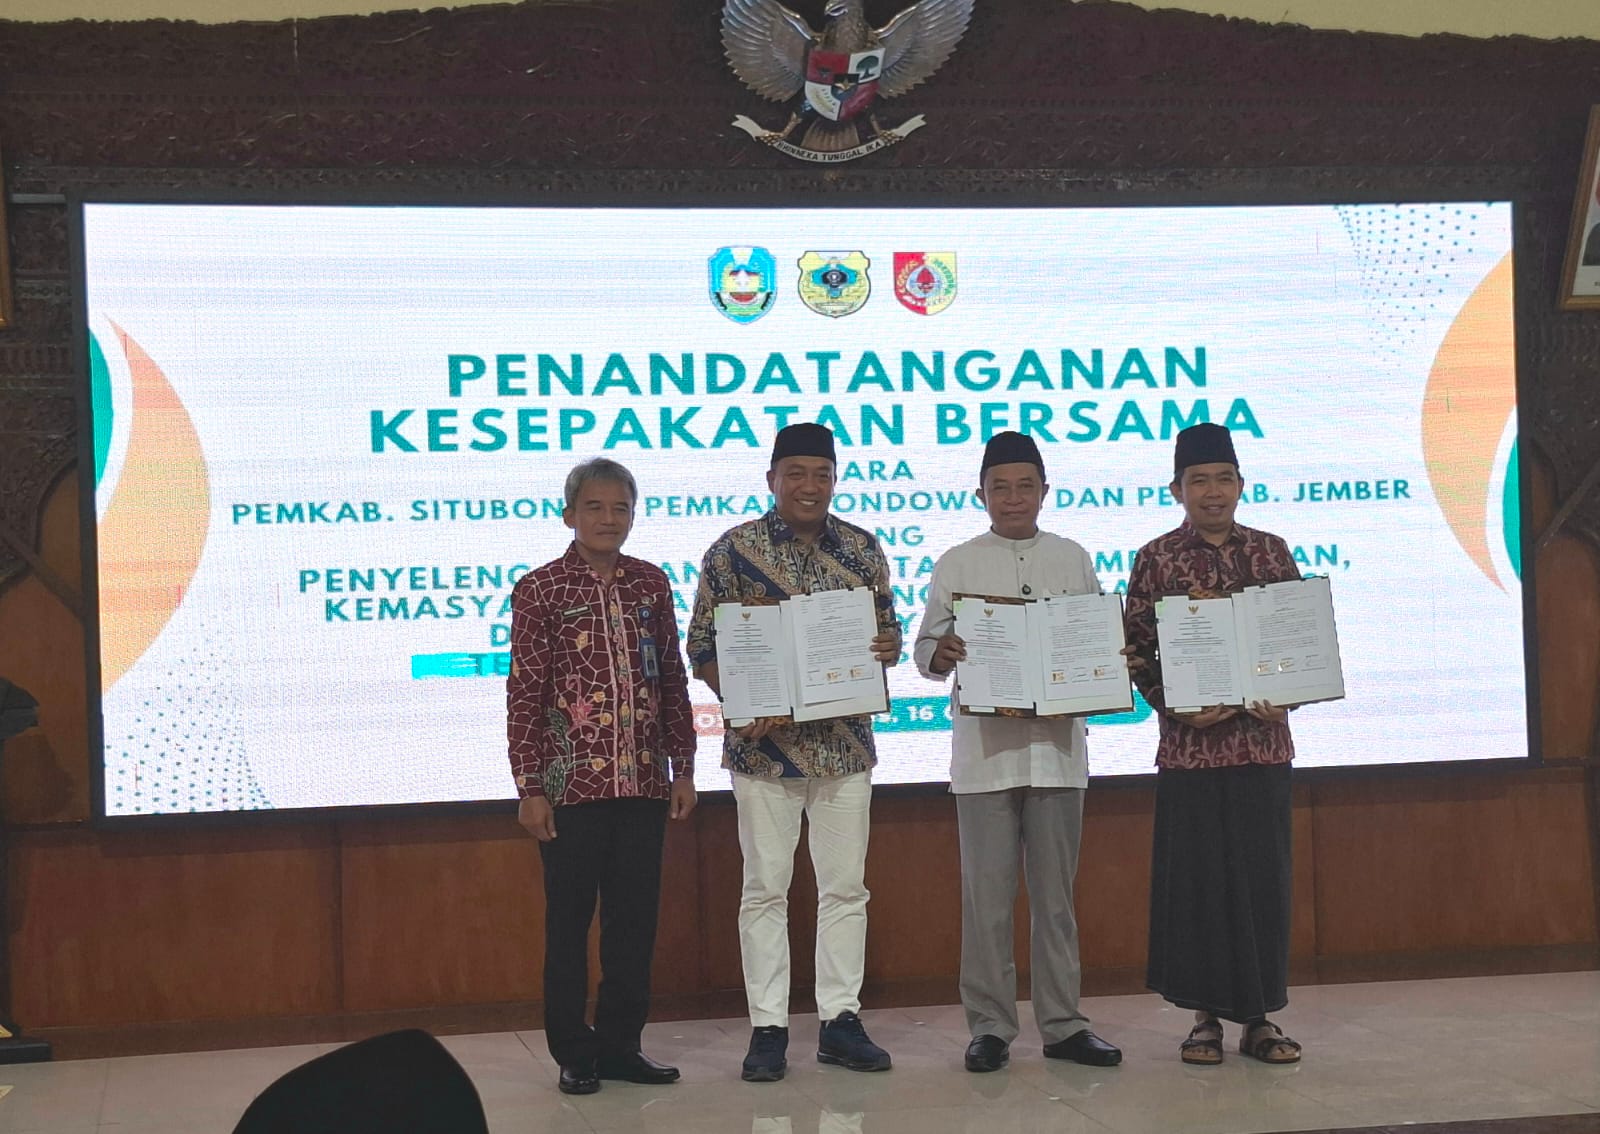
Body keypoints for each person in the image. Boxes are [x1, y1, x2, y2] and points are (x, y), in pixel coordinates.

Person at [687, 422, 902, 1083]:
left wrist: (888, 648)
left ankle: (840, 1021)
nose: (810, 486)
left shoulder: (862, 548)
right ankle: (769, 1028)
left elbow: (885, 635)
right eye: (797, 473)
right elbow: (702, 647)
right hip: (764, 753)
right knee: (764, 889)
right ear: (772, 478)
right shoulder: (733, 551)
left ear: (835, 480)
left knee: (846, 889)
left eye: (822, 474)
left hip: (844, 748)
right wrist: (744, 699)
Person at [913, 432, 1124, 1073]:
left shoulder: (1072, 558)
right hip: (984, 758)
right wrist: (942, 653)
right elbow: (925, 651)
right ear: (980, 495)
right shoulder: (957, 563)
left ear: (1044, 492)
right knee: (987, 902)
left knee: (1056, 901)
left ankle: (1064, 1025)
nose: (1012, 498)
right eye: (999, 488)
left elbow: (1094, 644)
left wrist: (1099, 664)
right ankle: (990, 1027)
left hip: (1058, 753)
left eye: (1024, 486)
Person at [507, 457, 698, 1095]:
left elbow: (671, 679)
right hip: (570, 788)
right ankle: (574, 1051)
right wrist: (530, 787)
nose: (608, 519)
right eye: (595, 507)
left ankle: (620, 1045)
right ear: (570, 514)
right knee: (568, 925)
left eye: (620, 508)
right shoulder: (541, 588)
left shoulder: (651, 584)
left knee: (633, 923)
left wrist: (683, 766)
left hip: (643, 781)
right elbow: (525, 693)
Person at [1123, 423, 1304, 1066]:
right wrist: (1176, 707)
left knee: (1260, 886)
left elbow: (1296, 641)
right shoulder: (1157, 559)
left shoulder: (1272, 553)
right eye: (1198, 480)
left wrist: (1290, 694)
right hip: (1191, 754)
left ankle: (1259, 1020)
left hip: (1262, 749)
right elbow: (1137, 651)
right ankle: (1204, 1020)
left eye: (1224, 479)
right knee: (1200, 887)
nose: (1213, 491)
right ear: (1177, 490)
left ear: (1241, 485)